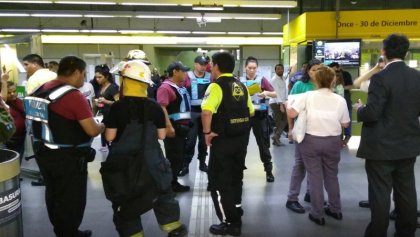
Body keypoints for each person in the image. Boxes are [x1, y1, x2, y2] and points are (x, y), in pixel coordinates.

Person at [104, 60, 187, 237]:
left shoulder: (118, 107)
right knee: (163, 194)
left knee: (125, 199)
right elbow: (162, 135)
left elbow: (110, 137)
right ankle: (172, 227)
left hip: (125, 164)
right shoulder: (154, 106)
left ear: (126, 81)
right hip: (153, 161)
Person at [24, 56, 105, 237]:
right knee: (71, 198)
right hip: (68, 158)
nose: (84, 79)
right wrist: (102, 126)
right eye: (84, 74)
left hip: (44, 152)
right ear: (76, 72)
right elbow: (91, 129)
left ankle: (61, 230)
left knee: (53, 193)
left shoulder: (41, 89)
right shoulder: (72, 95)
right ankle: (68, 232)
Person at [354, 34, 420, 237]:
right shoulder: (417, 77)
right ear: (406, 53)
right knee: (406, 192)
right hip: (408, 145)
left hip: (380, 148)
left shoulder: (380, 78)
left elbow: (372, 113)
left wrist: (359, 109)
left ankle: (377, 233)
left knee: (380, 195)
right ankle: (406, 231)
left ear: (383, 52)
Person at [287, 65, 350, 226]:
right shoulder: (340, 100)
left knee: (315, 177)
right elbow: (345, 123)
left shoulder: (307, 96)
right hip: (333, 142)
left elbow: (292, 113)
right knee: (331, 176)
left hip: (310, 141)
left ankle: (317, 214)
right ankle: (335, 209)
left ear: (316, 79)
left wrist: (289, 105)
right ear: (333, 80)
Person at [202, 51, 254, 236]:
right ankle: (237, 208)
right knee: (236, 176)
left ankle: (230, 221)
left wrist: (207, 132)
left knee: (219, 181)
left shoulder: (216, 86)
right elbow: (251, 111)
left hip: (222, 140)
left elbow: (207, 112)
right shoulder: (241, 86)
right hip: (240, 140)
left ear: (216, 66)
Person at [285, 59, 321, 214]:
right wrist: (291, 128)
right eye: (313, 70)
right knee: (300, 164)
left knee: (315, 165)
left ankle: (310, 193)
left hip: (319, 131)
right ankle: (292, 199)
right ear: (308, 71)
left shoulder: (324, 86)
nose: (316, 73)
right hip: (302, 131)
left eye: (319, 70)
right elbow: (290, 108)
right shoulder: (300, 85)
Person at [240, 56, 276, 182]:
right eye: (249, 68)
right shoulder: (239, 81)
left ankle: (269, 171)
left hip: (259, 117)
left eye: (254, 68)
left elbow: (274, 93)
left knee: (263, 144)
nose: (252, 70)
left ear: (257, 68)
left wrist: (265, 93)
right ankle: (239, 171)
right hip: (244, 117)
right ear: (245, 68)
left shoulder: (262, 80)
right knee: (241, 145)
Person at [157, 61, 192, 192]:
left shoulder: (179, 87)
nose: (185, 74)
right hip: (173, 129)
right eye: (183, 71)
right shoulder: (165, 88)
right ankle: (169, 185)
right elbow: (162, 107)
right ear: (175, 72)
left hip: (182, 129)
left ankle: (174, 182)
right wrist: (168, 126)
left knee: (179, 157)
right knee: (173, 157)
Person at [179, 55, 211, 176]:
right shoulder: (187, 76)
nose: (203, 67)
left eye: (205, 64)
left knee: (204, 140)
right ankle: (185, 165)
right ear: (195, 64)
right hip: (191, 113)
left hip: (205, 113)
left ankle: (202, 163)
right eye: (201, 64)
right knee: (190, 141)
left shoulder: (210, 77)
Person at [94, 64, 119, 151]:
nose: (97, 79)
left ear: (106, 76)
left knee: (112, 142)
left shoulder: (113, 88)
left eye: (100, 77)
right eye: (96, 77)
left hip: (111, 118)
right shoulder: (100, 87)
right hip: (102, 117)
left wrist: (106, 101)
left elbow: (119, 103)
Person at [328, 62, 353, 145]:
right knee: (336, 120)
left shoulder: (346, 74)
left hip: (345, 100)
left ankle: (347, 136)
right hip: (332, 102)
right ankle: (337, 138)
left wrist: (340, 88)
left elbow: (351, 86)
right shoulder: (328, 75)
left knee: (347, 119)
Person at [5, 81, 26, 161]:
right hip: (7, 140)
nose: (12, 94)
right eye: (9, 92)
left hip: (20, 138)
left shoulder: (20, 102)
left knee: (17, 162)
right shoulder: (3, 105)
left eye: (14, 91)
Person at [269, 63, 288, 146]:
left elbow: (286, 76)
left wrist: (289, 71)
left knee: (283, 120)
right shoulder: (274, 80)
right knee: (280, 121)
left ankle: (275, 138)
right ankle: (276, 137)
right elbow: (275, 93)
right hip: (276, 102)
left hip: (282, 102)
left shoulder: (282, 78)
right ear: (275, 70)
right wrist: (281, 104)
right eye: (278, 69)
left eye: (281, 69)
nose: (280, 70)